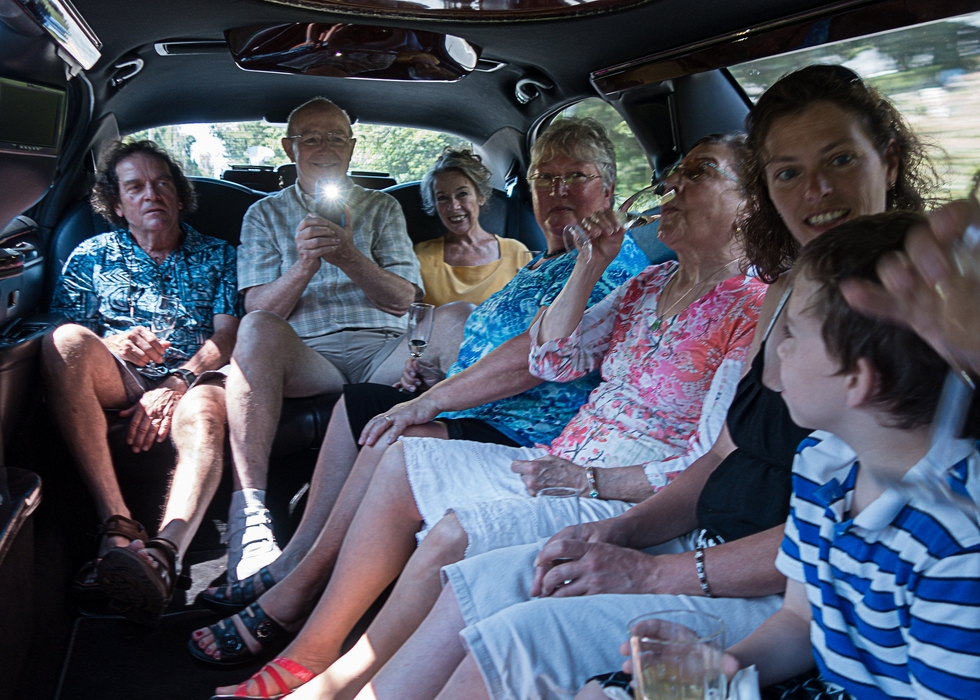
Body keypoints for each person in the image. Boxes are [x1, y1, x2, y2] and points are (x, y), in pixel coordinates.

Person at [324, 64, 943, 700]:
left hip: (670, 518)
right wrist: (624, 534)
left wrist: (639, 545)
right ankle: (322, 664)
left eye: (839, 159)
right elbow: (561, 362)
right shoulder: (769, 295)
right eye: (787, 171)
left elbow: (783, 521)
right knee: (486, 573)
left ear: (888, 161)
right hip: (657, 511)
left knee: (510, 605)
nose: (815, 189)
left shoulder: (911, 317)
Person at [206, 131, 767, 699]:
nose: (672, 183)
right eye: (544, 178)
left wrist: (593, 479)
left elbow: (711, 459)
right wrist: (587, 266)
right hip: (557, 459)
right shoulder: (648, 283)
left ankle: (338, 673)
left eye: (698, 173)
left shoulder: (751, 308)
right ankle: (318, 654)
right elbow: (554, 354)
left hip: (619, 487)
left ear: (751, 202)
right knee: (400, 456)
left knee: (447, 521)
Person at [191, 118, 646, 615]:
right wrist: (435, 377)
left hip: (524, 426)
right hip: (474, 402)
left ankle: (296, 590)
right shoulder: (541, 262)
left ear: (609, 188)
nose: (557, 192)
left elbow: (531, 359)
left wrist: (429, 400)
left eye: (575, 177)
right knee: (360, 404)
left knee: (395, 429)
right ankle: (289, 559)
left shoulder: (606, 262)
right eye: (544, 179)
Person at [723, 214, 980, 699]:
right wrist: (717, 669)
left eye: (794, 333)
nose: (777, 357)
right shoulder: (823, 463)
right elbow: (801, 620)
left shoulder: (956, 543)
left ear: (857, 380)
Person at [223, 96, 425, 582]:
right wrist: (306, 263)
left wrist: (350, 256)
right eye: (310, 138)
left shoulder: (382, 207)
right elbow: (259, 308)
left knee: (458, 318)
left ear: (352, 147)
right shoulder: (263, 216)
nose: (325, 147)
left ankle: (447, 506)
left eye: (336, 136)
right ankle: (249, 519)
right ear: (288, 147)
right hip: (309, 355)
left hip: (384, 350)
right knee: (253, 329)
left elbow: (405, 298)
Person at [42, 139, 241, 625]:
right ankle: (117, 524)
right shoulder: (90, 255)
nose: (151, 194)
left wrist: (178, 380)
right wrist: (110, 343)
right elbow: (64, 330)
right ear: (116, 204)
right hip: (121, 376)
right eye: (135, 187)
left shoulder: (218, 254)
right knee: (66, 341)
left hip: (194, 378)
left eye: (162, 184)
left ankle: (163, 555)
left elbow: (230, 333)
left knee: (208, 407)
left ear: (179, 195)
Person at [414, 148, 529, 307]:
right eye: (442, 198)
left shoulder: (518, 252)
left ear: (481, 197)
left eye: (462, 194)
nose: (453, 206)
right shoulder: (419, 257)